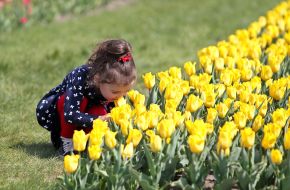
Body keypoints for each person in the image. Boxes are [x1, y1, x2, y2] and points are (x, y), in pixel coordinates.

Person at [36, 39, 137, 155]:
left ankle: (92, 143)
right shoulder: (80, 76)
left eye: (126, 91)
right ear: (97, 79)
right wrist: (99, 119)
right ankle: (66, 143)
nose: (120, 96)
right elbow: (70, 114)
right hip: (64, 118)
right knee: (79, 101)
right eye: (115, 92)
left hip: (88, 118)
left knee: (100, 109)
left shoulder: (115, 91)